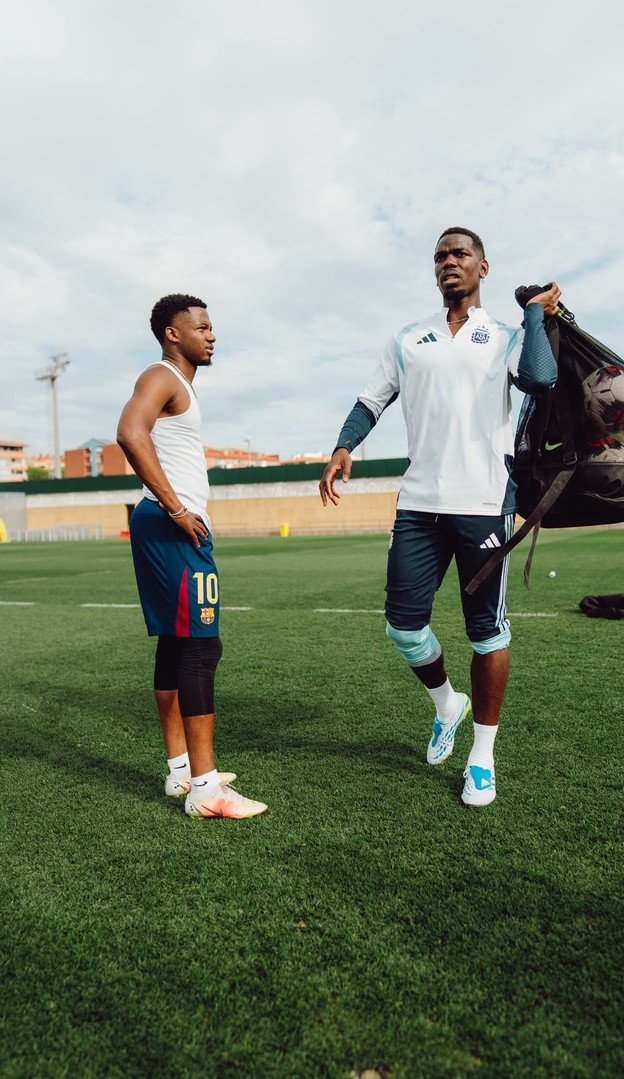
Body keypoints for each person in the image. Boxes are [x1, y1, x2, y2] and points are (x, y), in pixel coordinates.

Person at [319, 229, 560, 806]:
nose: (449, 262)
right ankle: (447, 704)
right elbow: (370, 399)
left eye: (461, 254)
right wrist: (344, 445)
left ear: (483, 266)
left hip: (483, 505)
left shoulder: (503, 336)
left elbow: (540, 379)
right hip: (420, 505)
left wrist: (531, 315)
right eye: (440, 256)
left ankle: (482, 755)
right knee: (402, 626)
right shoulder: (409, 339)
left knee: (487, 634)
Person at [117, 293, 267, 820]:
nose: (212, 334)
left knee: (179, 644)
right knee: (202, 648)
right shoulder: (161, 375)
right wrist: (176, 507)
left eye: (212, 326)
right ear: (172, 334)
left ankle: (181, 771)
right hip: (169, 525)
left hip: (161, 523)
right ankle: (207, 790)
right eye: (202, 327)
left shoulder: (179, 386)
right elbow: (128, 433)